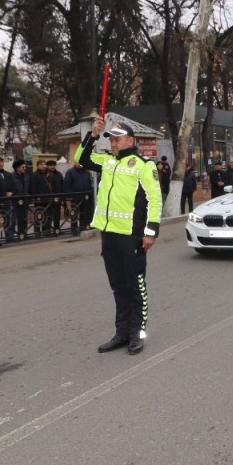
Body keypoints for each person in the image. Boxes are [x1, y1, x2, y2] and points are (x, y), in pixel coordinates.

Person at [76, 118, 162, 356]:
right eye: (111, 139)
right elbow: (81, 159)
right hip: (109, 235)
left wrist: (151, 231)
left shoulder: (144, 165)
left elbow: (155, 200)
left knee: (136, 287)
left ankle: (137, 334)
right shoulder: (107, 162)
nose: (113, 143)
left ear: (130, 140)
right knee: (118, 287)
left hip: (132, 236)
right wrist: (93, 135)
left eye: (117, 139)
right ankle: (121, 332)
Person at [63, 158, 94, 235]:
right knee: (74, 214)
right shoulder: (70, 172)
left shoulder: (87, 172)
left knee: (84, 214)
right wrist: (68, 199)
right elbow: (66, 186)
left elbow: (90, 184)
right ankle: (74, 230)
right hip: (74, 198)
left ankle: (83, 228)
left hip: (85, 198)